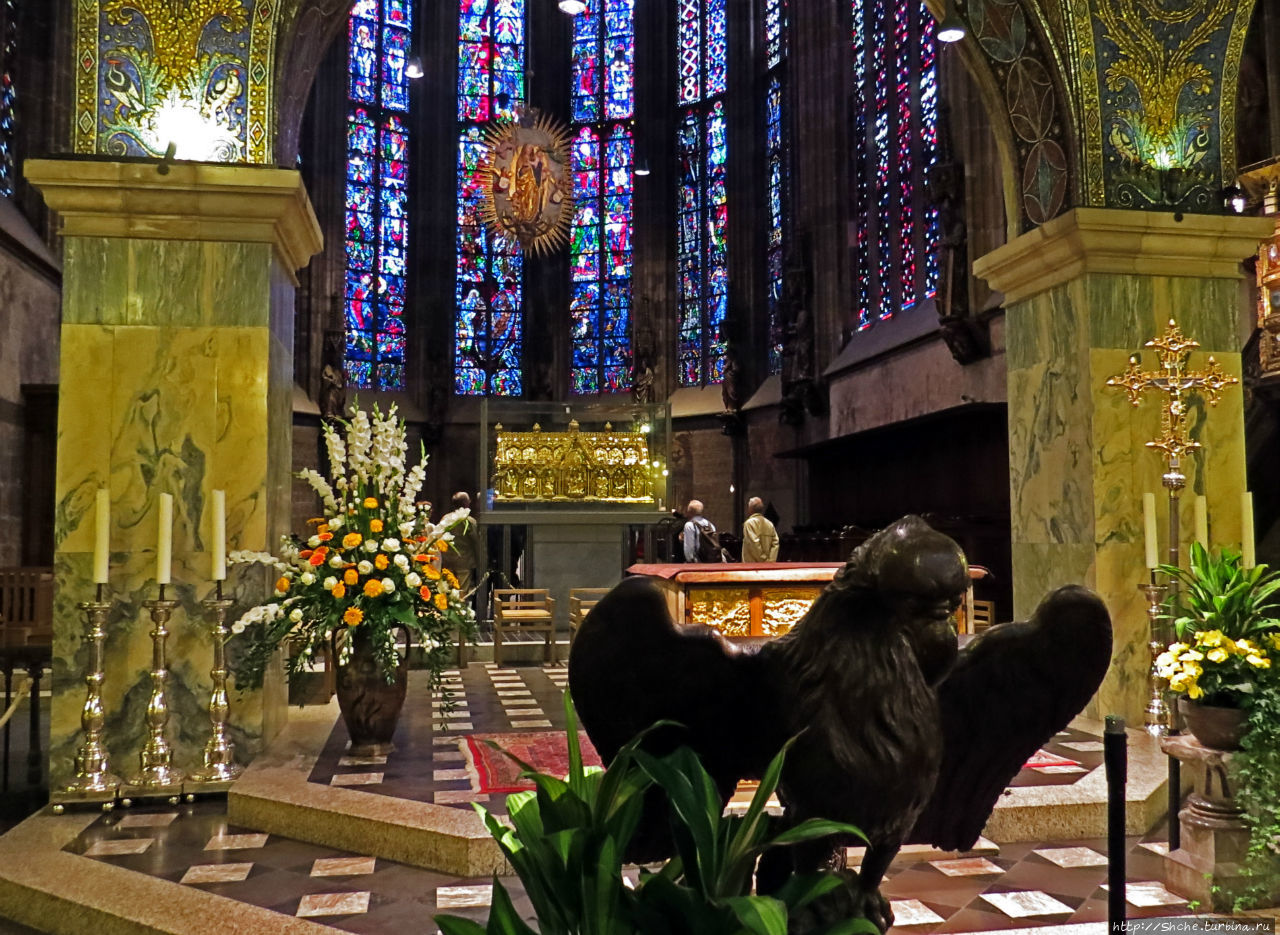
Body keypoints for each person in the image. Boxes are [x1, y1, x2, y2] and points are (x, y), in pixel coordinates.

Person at [442, 491, 482, 593]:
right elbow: (477, 543)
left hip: (447, 560)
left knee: (448, 591)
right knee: (462, 592)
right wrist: (480, 561)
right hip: (464, 562)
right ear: (466, 503)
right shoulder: (468, 521)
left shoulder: (446, 518)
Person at [741, 497, 779, 563]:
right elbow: (775, 543)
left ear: (750, 509)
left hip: (752, 566)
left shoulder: (749, 524)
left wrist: (763, 560)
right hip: (768, 566)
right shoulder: (770, 524)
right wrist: (770, 561)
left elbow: (753, 544)